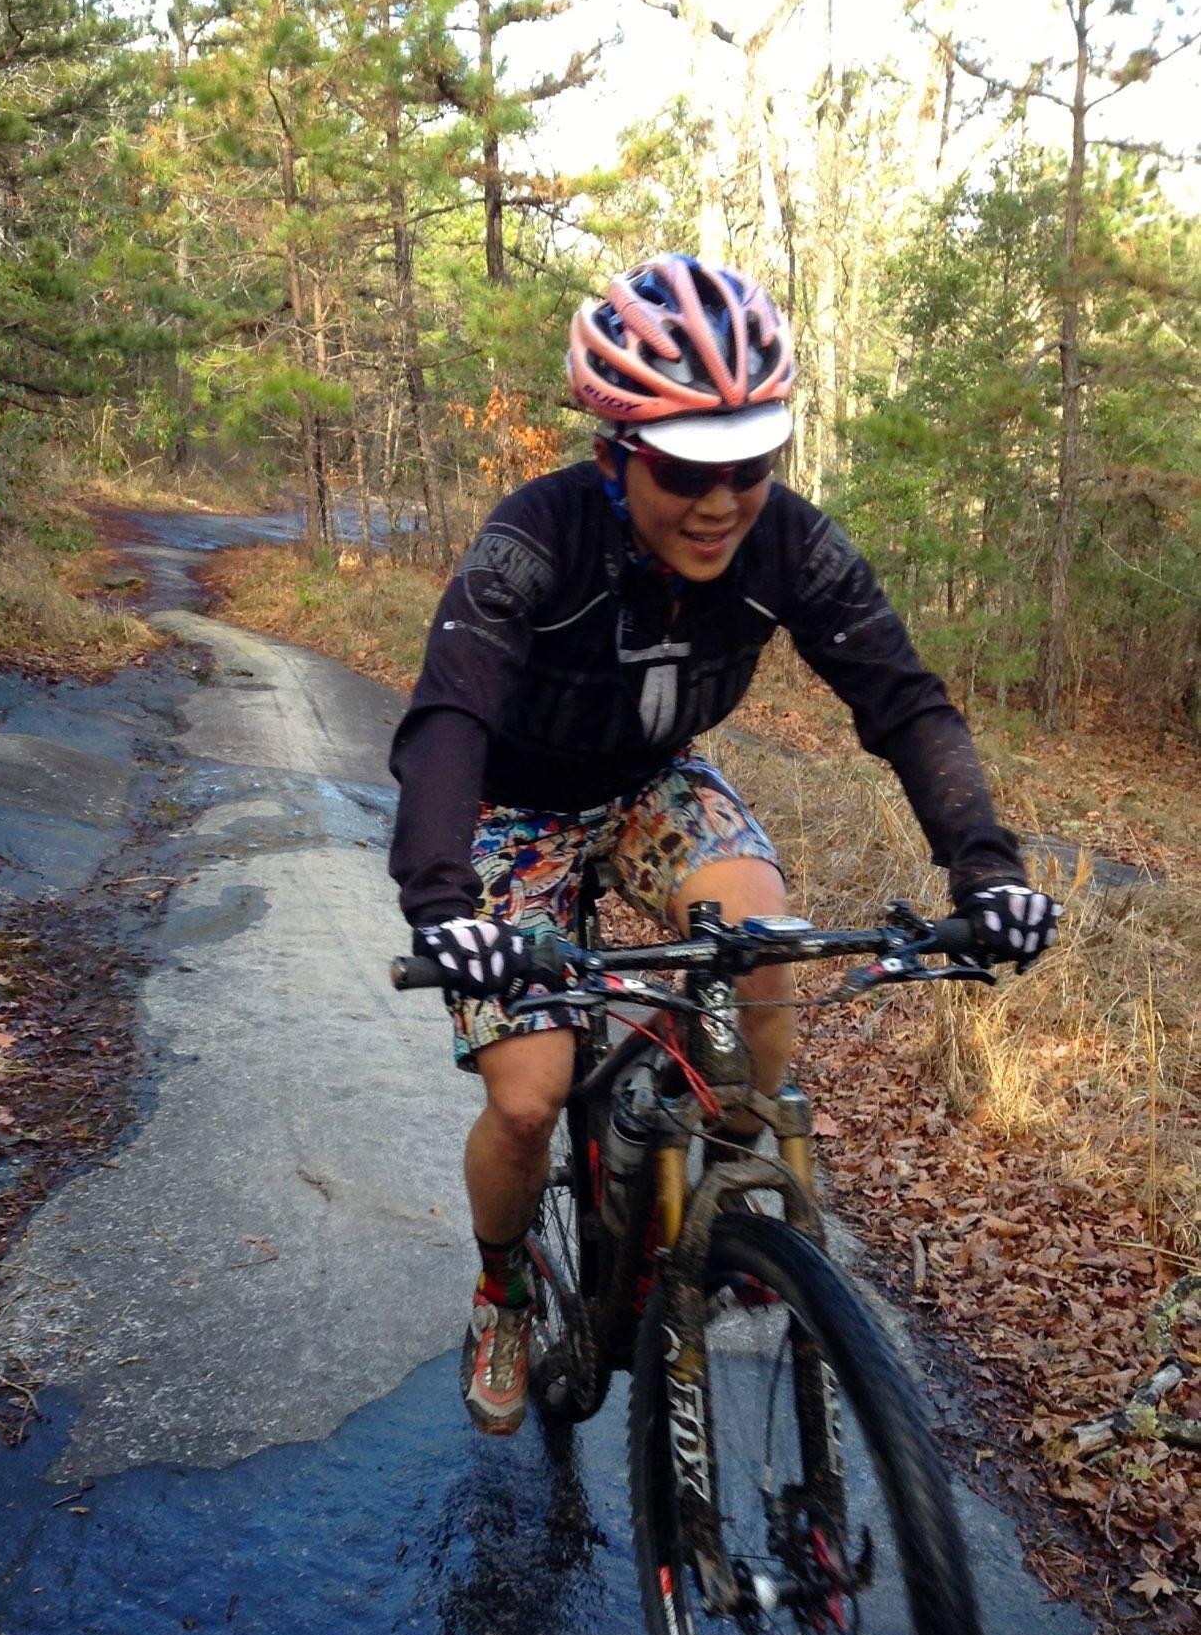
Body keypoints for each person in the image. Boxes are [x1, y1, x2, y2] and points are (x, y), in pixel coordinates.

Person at [388, 254, 1059, 1437]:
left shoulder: (788, 543)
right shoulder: (533, 540)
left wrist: (987, 867)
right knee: (533, 1091)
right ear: (615, 451)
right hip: (515, 808)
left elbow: (904, 700)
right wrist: (444, 900)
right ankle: (503, 1290)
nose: (720, 502)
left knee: (767, 943)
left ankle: (721, 1192)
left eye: (748, 465)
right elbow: (452, 712)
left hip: (653, 782)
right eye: (687, 469)